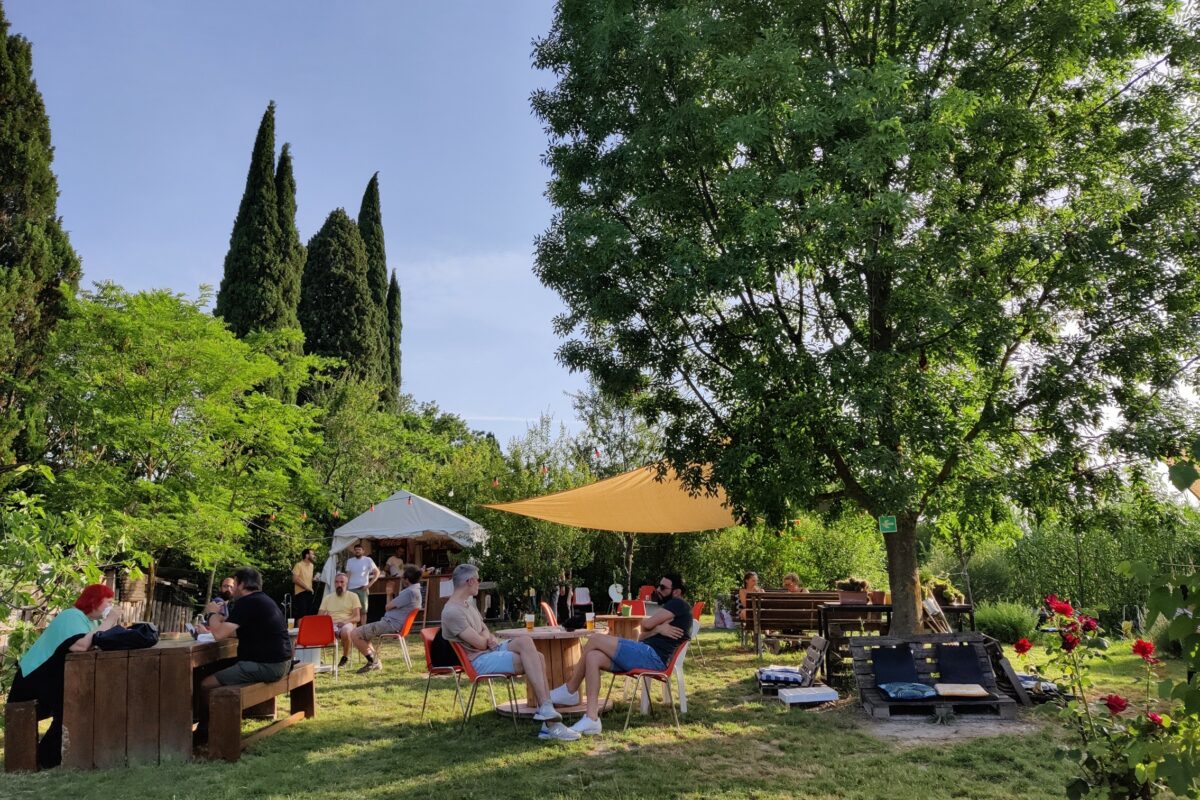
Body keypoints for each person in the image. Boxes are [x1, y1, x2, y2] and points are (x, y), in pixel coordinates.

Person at [442, 563, 580, 741]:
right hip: (478, 660)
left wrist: (486, 638)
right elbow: (478, 643)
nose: (479, 582)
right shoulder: (452, 611)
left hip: (490, 649)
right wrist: (485, 639)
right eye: (478, 579)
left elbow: (484, 630)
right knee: (536, 658)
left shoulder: (468, 603)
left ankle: (546, 712)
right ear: (469, 581)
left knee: (526, 642)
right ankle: (549, 723)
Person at [550, 573, 692, 736]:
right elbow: (641, 635)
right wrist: (659, 629)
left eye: (663, 588)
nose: (658, 590)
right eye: (658, 586)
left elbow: (645, 624)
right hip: (645, 653)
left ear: (677, 592)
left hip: (652, 658)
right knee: (593, 656)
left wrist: (652, 626)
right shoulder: (671, 609)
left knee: (595, 639)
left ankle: (571, 690)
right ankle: (592, 719)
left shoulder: (678, 605)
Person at [9, 584, 123, 767]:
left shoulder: (91, 622)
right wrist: (109, 621)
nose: (111, 605)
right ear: (94, 602)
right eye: (108, 602)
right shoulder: (71, 616)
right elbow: (80, 646)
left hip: (53, 681)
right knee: (74, 706)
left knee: (85, 700)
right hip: (33, 682)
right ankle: (47, 758)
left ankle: (52, 757)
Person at [200, 566, 292, 690]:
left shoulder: (247, 602)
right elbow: (234, 631)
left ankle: (206, 709)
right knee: (219, 666)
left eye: (234, 584)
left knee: (205, 683)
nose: (232, 589)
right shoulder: (262, 599)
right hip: (281, 662)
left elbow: (218, 634)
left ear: (241, 583)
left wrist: (211, 613)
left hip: (269, 666)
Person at [351, 564, 422, 673]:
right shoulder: (416, 591)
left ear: (407, 580)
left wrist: (389, 594)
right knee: (364, 635)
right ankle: (374, 661)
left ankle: (374, 662)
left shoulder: (409, 592)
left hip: (391, 624)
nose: (401, 578)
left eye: (403, 577)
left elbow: (387, 607)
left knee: (355, 633)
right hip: (395, 624)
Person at [319, 572, 362, 668]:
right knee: (317, 631)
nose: (339, 584)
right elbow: (320, 616)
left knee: (346, 631)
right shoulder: (327, 598)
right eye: (337, 582)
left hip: (348, 622)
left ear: (347, 584)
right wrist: (328, 623)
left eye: (342, 582)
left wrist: (345, 622)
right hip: (331, 624)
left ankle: (345, 658)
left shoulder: (353, 596)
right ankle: (317, 659)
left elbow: (357, 617)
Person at [344, 542, 379, 613]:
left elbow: (377, 572)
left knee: (363, 611)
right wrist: (345, 586)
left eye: (359, 549)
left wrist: (369, 585)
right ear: (354, 551)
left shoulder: (368, 560)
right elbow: (348, 574)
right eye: (356, 550)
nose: (357, 551)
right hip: (351, 589)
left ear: (363, 551)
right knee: (351, 610)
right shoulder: (350, 561)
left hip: (362, 589)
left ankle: (363, 624)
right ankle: (354, 624)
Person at [292, 548, 316, 619]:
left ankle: (307, 629)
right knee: (302, 613)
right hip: (300, 593)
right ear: (307, 555)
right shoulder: (298, 565)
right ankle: (300, 629)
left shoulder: (312, 566)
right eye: (312, 554)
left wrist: (314, 579)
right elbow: (295, 579)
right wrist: (307, 587)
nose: (314, 556)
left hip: (309, 592)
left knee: (309, 613)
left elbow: (307, 578)